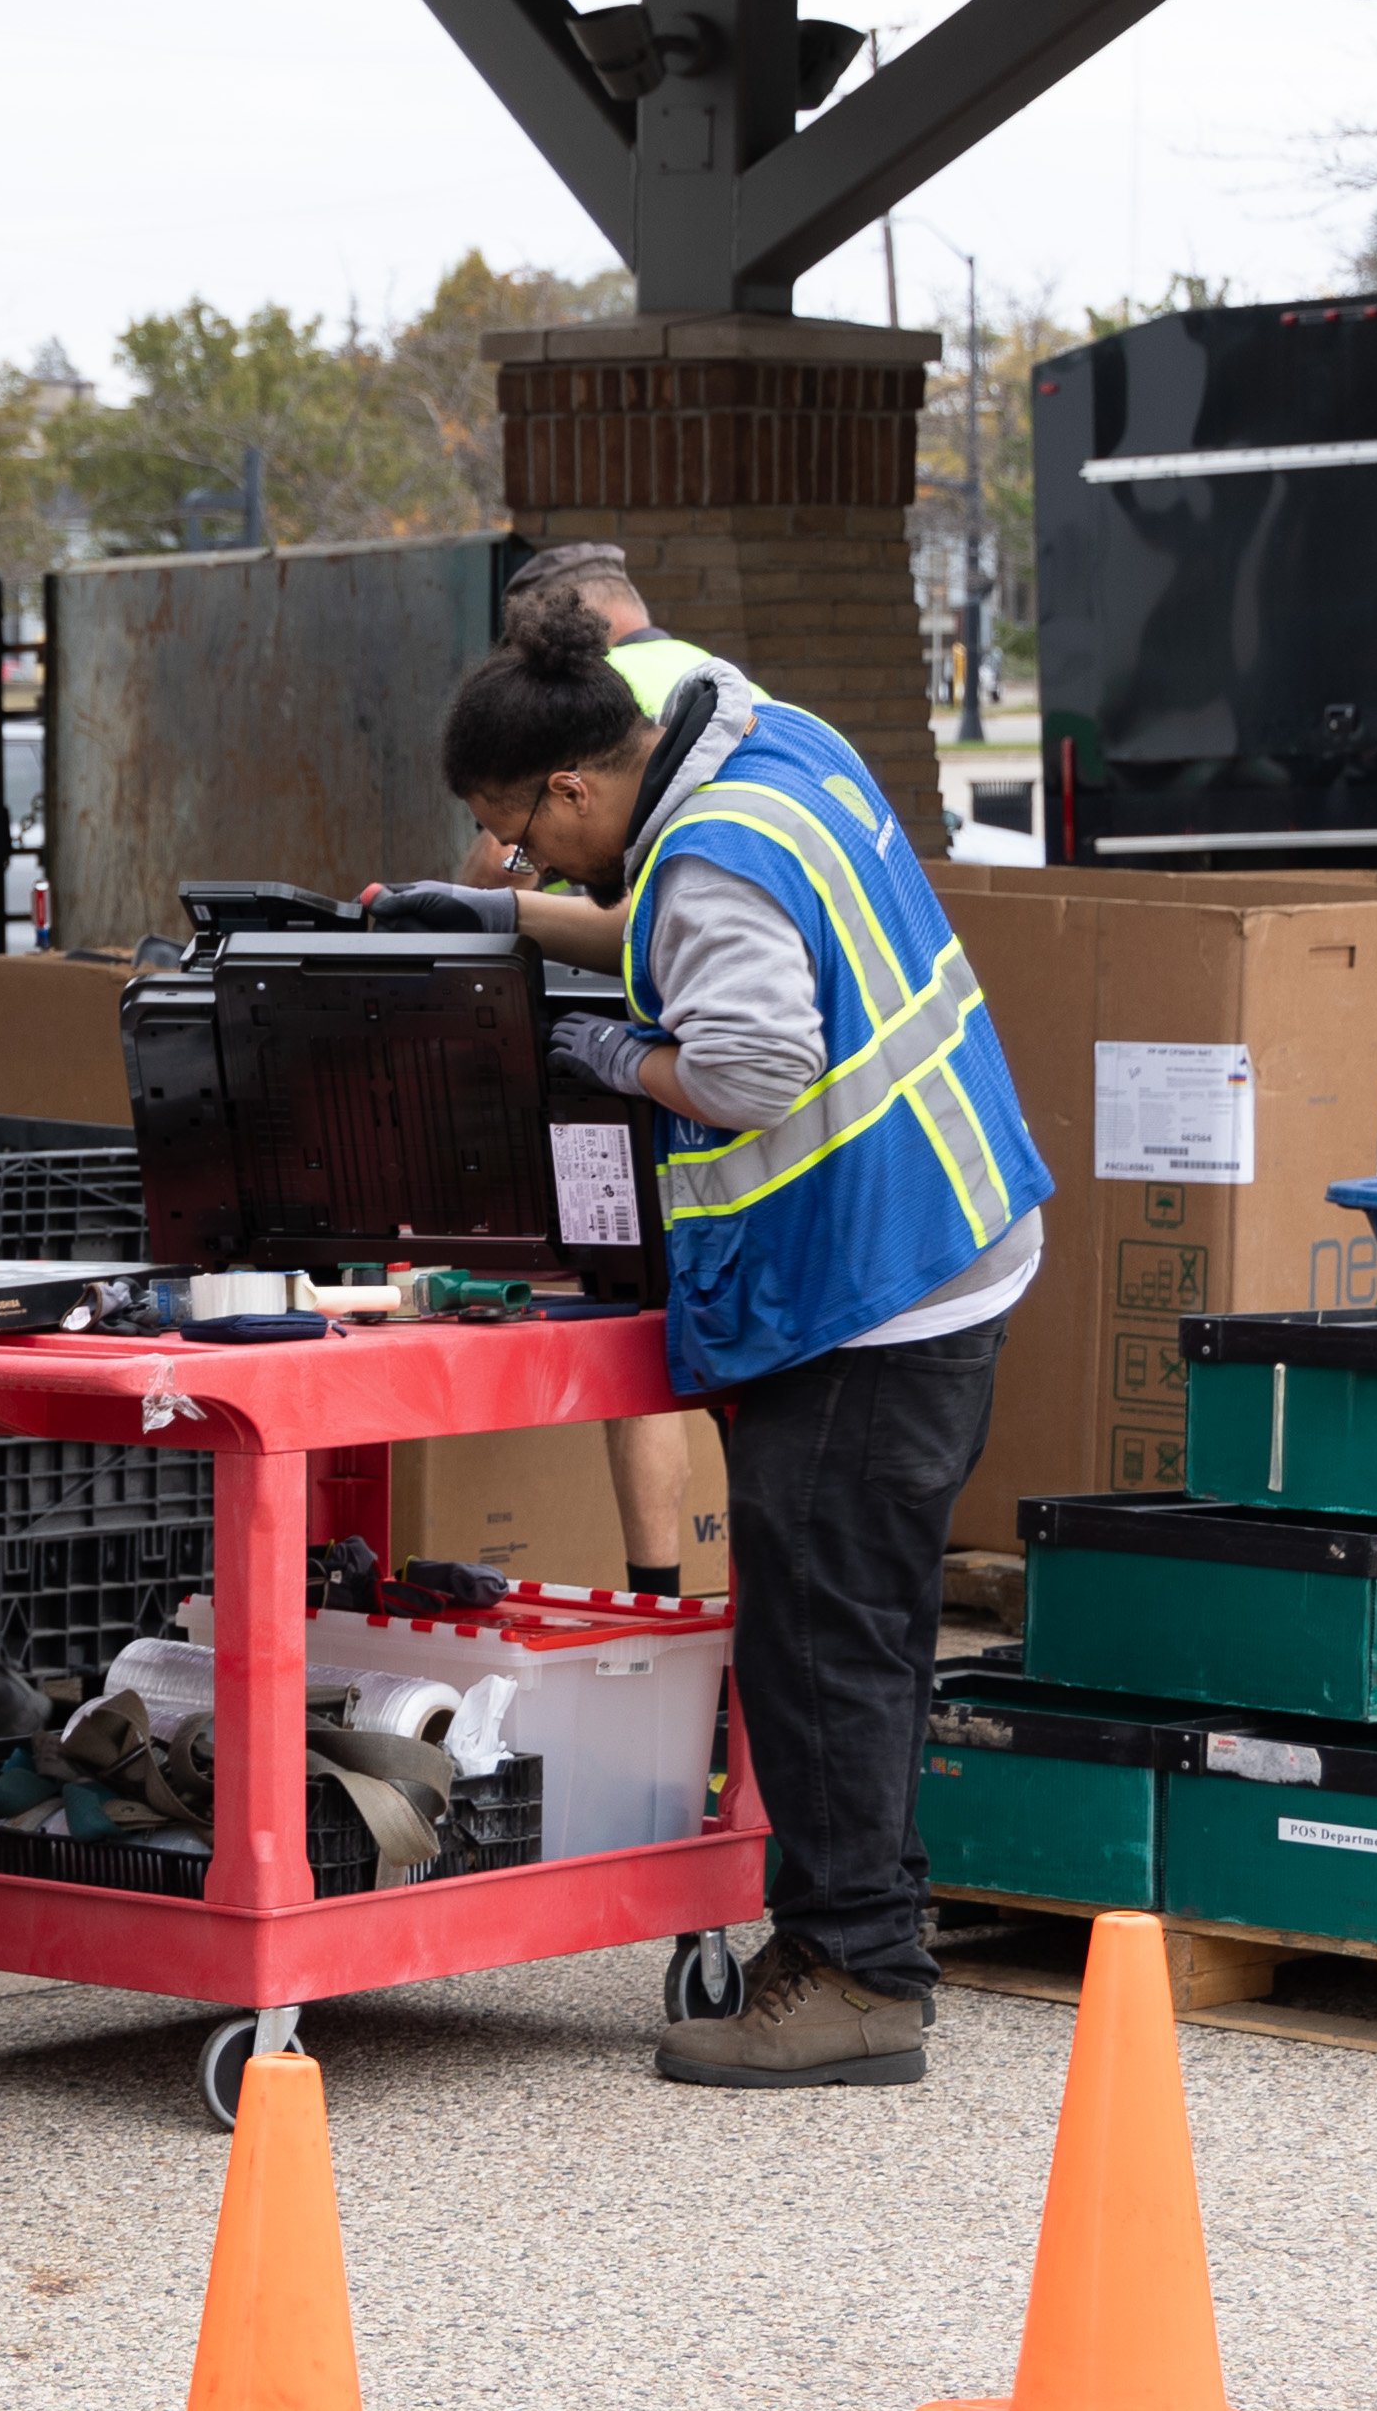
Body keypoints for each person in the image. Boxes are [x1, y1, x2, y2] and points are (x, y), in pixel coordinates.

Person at [435, 595, 1050, 2087]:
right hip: (943, 1233)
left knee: (824, 1642)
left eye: (520, 835)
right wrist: (510, 921)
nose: (526, 860)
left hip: (868, 1289)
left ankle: (858, 1980)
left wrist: (622, 1053)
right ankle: (853, 1930)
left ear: (575, 783)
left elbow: (760, 1061)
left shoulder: (711, 862)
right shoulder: (767, 742)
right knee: (867, 1628)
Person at [447, 541, 766, 1604]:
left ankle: (654, 1595)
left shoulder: (586, 712)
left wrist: (471, 899)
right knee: (695, 1330)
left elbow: (506, 864)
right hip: (716, 1058)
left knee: (629, 1309)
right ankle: (678, 1598)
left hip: (637, 1055)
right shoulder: (725, 688)